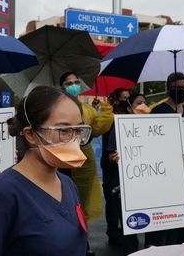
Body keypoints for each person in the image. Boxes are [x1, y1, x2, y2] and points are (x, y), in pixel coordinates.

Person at [0, 86, 89, 256]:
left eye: (78, 130)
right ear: (31, 135)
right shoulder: (3, 195)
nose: (74, 139)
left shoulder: (68, 184)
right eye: (63, 130)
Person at [60, 72, 114, 256]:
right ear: (62, 87)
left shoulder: (87, 109)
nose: (74, 85)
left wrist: (106, 109)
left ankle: (84, 243)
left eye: (76, 82)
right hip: (63, 162)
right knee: (67, 204)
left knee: (84, 205)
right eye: (69, 83)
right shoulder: (57, 107)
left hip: (86, 162)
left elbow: (99, 128)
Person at [145, 72, 184, 247]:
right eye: (177, 88)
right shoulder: (158, 111)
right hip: (165, 176)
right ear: (168, 88)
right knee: (163, 225)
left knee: (183, 225)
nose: (181, 91)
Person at [105, 92, 150, 255]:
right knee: (131, 224)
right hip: (127, 184)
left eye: (145, 103)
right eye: (138, 103)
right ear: (130, 107)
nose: (143, 106)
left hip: (150, 183)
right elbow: (111, 154)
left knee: (152, 222)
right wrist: (114, 157)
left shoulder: (155, 127)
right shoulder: (119, 125)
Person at [101, 88, 130, 247]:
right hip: (111, 166)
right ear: (116, 99)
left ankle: (125, 231)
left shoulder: (131, 115)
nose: (126, 100)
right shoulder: (110, 117)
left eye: (128, 98)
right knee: (112, 202)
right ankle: (113, 232)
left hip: (128, 166)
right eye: (123, 98)